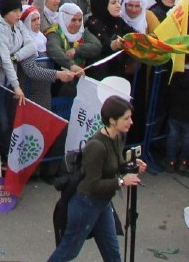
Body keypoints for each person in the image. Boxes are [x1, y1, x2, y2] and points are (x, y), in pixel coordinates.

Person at [45, 94, 142, 262]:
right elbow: (92, 184)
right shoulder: (96, 146)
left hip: (103, 203)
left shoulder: (118, 137)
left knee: (112, 252)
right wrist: (121, 181)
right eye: (126, 118)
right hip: (86, 204)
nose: (131, 122)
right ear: (112, 120)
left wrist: (130, 163)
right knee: (68, 250)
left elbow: (114, 164)